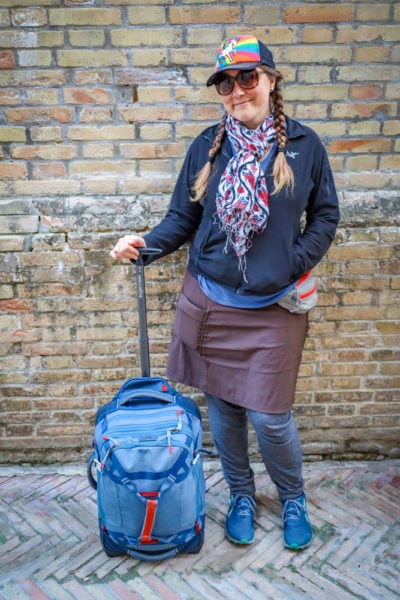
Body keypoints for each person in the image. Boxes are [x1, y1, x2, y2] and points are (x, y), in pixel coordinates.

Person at [110, 35, 340, 551]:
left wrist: (294, 260)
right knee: (224, 410)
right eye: (226, 83)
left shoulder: (305, 147)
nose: (237, 91)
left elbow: (326, 215)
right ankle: (240, 494)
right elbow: (182, 218)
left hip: (274, 307)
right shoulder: (207, 146)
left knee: (270, 417)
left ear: (271, 81)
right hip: (210, 302)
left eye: (247, 78)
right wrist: (145, 245)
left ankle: (292, 497)